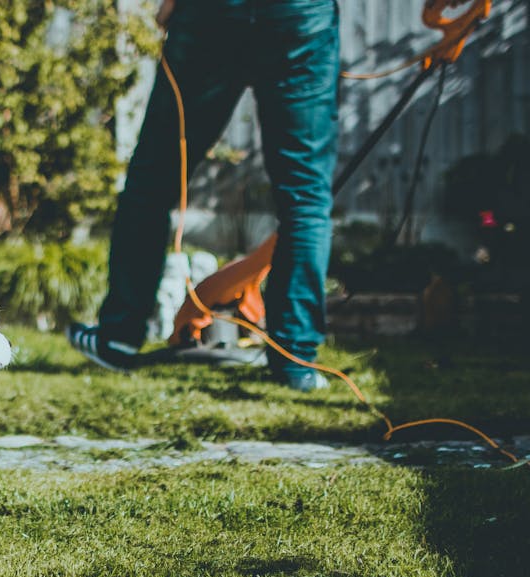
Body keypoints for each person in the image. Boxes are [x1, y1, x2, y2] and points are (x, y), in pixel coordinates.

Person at [67, 0, 340, 391]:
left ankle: (119, 338)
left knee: (154, 178)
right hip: (300, 17)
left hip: (213, 14)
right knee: (306, 198)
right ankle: (296, 362)